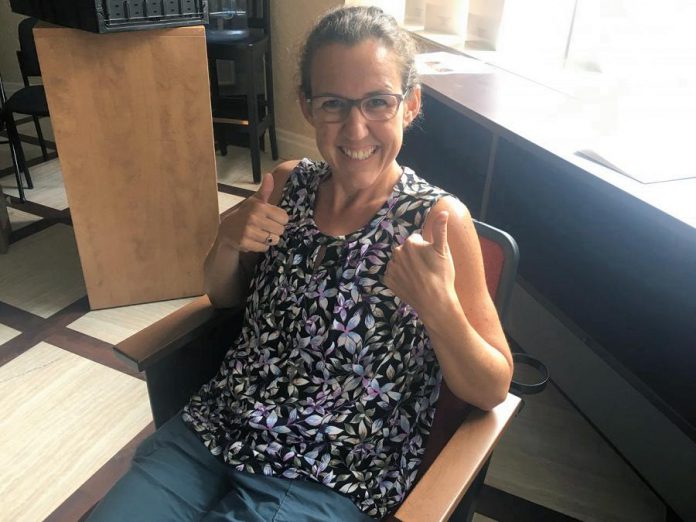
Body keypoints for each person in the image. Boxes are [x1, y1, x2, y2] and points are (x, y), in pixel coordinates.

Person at [89, 5, 513, 521]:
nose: (355, 130)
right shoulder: (289, 183)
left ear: (410, 105)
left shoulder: (438, 221)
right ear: (307, 107)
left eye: (378, 102)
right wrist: (226, 241)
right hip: (216, 429)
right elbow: (226, 299)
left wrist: (440, 308)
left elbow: (493, 387)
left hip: (328, 473)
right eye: (334, 104)